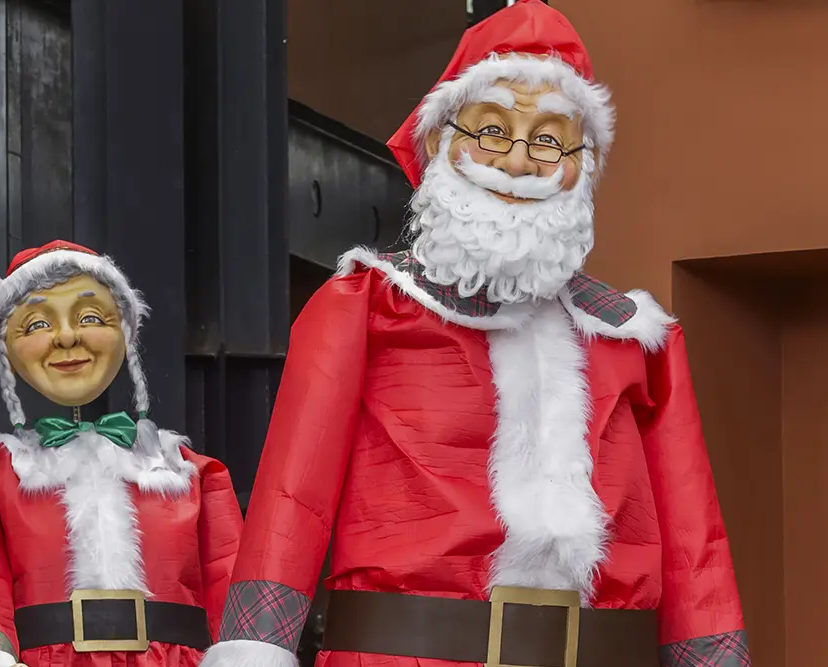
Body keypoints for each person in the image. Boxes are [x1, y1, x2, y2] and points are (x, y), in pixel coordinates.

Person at [199, 2, 749, 666]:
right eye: (491, 130)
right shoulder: (368, 303)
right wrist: (257, 648)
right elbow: (293, 497)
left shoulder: (635, 337)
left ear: (585, 166)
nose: (518, 161)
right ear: (439, 143)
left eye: (549, 138)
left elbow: (697, 545)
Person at [0, 240, 244, 667]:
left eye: (89, 317)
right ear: (7, 347)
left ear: (125, 329)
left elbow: (233, 587)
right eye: (37, 325)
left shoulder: (194, 473)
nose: (67, 337)